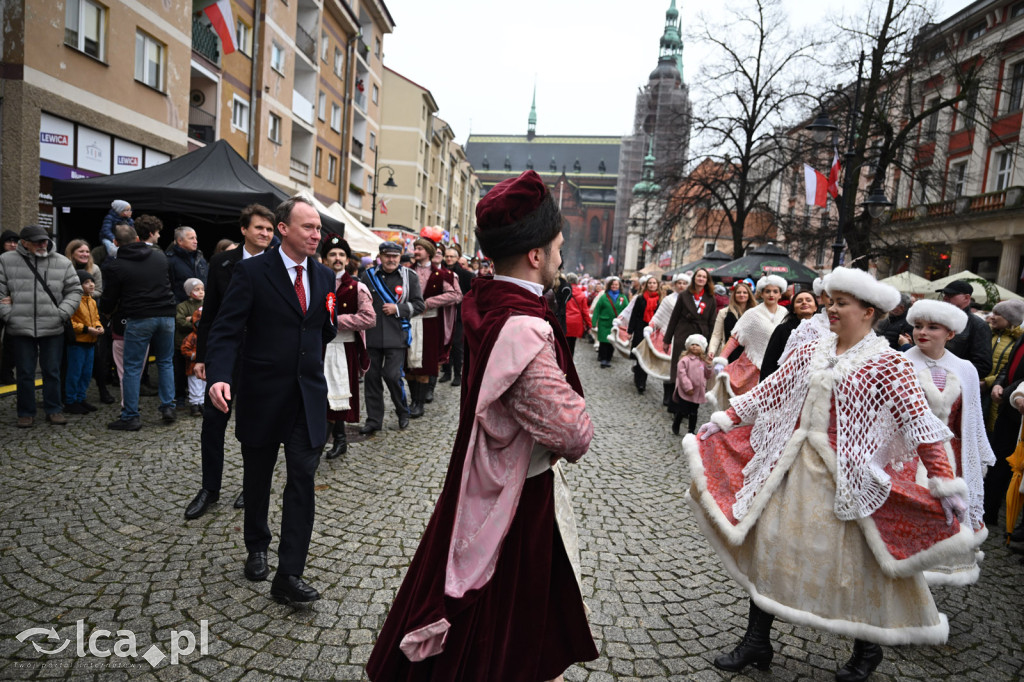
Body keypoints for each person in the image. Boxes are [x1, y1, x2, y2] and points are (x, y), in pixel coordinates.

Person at [687, 267, 977, 682]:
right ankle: (756, 640)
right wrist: (728, 417)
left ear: (869, 310)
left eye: (842, 303)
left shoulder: (888, 364)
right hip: (790, 468)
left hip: (850, 480)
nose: (832, 309)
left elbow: (921, 425)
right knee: (770, 546)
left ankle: (866, 649)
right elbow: (774, 388)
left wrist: (944, 481)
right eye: (831, 302)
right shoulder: (814, 348)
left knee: (855, 564)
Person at [367, 169, 598, 682]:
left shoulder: (489, 299)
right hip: (517, 496)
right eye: (557, 246)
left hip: (493, 473)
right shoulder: (523, 327)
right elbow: (572, 433)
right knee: (502, 625)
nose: (561, 255)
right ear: (536, 254)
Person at [205, 197, 336, 605]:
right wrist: (220, 376)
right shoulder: (250, 272)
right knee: (257, 478)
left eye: (319, 229)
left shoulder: (325, 277)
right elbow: (226, 330)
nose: (317, 235)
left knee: (302, 480)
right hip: (263, 394)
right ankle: (256, 546)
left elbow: (324, 329)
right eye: (308, 227)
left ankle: (289, 573)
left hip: (307, 397)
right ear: (283, 228)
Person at [187, 204, 276, 520]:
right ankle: (210, 488)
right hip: (226, 356)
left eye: (269, 229)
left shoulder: (279, 263)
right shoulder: (222, 262)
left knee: (257, 426)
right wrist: (201, 357)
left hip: (262, 358)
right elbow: (210, 314)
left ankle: (252, 486)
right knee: (213, 422)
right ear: (244, 230)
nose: (264, 234)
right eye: (259, 228)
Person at [903, 299, 995, 584]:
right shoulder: (900, 361)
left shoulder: (965, 368)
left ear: (950, 334)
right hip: (908, 453)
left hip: (951, 456)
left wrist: (974, 458)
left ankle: (928, 581)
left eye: (933, 327)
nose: (923, 332)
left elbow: (971, 419)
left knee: (944, 519)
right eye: (918, 326)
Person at [0, 225, 82, 427]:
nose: (42, 244)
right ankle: (25, 412)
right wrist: (8, 315)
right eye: (37, 241)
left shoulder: (62, 262)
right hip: (19, 326)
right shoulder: (6, 260)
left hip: (53, 325)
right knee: (25, 372)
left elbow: (75, 290)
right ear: (24, 243)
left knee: (52, 370)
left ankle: (54, 409)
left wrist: (61, 314)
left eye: (44, 240)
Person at [101, 225, 177, 431]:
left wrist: (106, 312)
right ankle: (168, 407)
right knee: (165, 362)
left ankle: (130, 416)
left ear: (115, 243)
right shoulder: (159, 256)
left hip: (139, 317)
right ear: (136, 239)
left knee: (133, 368)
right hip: (167, 314)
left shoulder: (116, 266)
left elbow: (109, 298)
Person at [360, 241, 425, 434]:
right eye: (387, 256)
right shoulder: (368, 276)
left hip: (396, 335)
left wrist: (398, 308)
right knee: (371, 378)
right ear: (380, 256)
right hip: (371, 335)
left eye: (395, 256)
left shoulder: (409, 277)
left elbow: (419, 305)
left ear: (400, 257)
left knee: (392, 375)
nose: (391, 260)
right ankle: (373, 420)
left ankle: (402, 411)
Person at [322, 235, 375, 460]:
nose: (337, 258)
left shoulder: (357, 287)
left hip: (344, 348)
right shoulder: (315, 282)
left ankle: (337, 440)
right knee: (321, 395)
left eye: (341, 254)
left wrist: (334, 320)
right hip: (319, 348)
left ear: (347, 259)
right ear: (324, 259)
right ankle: (332, 439)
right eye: (333, 254)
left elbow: (369, 319)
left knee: (339, 395)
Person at [707, 275, 785, 411]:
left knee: (766, 407)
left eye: (775, 291)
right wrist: (721, 359)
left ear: (780, 295)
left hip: (775, 366)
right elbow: (735, 338)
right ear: (761, 293)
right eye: (768, 291)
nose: (771, 294)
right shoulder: (752, 314)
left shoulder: (785, 313)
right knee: (743, 406)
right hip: (751, 365)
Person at [405, 236, 461, 416]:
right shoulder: (405, 272)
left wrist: (429, 302)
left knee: (425, 364)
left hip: (430, 324)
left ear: (428, 252)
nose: (416, 251)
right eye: (415, 248)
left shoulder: (443, 274)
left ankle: (419, 404)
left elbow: (455, 295)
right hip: (408, 322)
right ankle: (412, 400)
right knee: (408, 366)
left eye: (419, 248)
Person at [665, 267, 717, 407]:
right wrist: (667, 339)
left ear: (707, 281)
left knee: (695, 370)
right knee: (680, 367)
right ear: (694, 278)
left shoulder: (711, 298)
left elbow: (713, 321)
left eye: (704, 277)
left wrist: (711, 342)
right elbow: (674, 317)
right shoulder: (684, 295)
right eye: (699, 276)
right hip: (683, 332)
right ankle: (674, 401)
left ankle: (691, 402)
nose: (701, 279)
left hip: (701, 335)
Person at [64, 271, 103, 415]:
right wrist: (87, 329)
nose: (91, 284)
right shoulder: (74, 301)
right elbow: (70, 323)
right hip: (78, 342)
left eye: (91, 281)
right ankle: (70, 401)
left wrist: (99, 326)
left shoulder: (92, 301)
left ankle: (81, 398)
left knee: (86, 373)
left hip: (90, 342)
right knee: (75, 373)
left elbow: (96, 317)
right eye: (86, 282)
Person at [937, 280, 992, 378]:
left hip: (955, 385)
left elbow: (983, 366)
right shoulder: (940, 320)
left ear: (966, 298)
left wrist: (947, 373)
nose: (945, 298)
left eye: (950, 295)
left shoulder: (978, 325)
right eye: (945, 295)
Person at [758, 289, 818, 380]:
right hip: (788, 382)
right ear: (793, 309)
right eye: (799, 301)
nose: (804, 303)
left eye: (808, 300)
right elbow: (769, 362)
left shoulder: (824, 329)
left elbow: (832, 356)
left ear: (815, 307)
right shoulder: (782, 330)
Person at [984, 299, 1024, 430]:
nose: (992, 317)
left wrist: (990, 383)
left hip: (1002, 395)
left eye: (998, 314)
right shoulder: (988, 334)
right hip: (989, 391)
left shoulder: (1017, 339)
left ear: (1011, 318)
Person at [440, 244, 474, 386]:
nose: (449, 258)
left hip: (459, 315)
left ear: (458, 258)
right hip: (442, 313)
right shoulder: (439, 272)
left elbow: (471, 295)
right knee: (444, 343)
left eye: (452, 256)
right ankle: (447, 372)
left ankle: (457, 374)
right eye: (447, 256)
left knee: (457, 344)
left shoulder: (466, 275)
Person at [628, 275, 663, 394]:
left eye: (654, 283)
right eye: (650, 283)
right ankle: (639, 380)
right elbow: (634, 315)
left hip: (653, 331)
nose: (652, 285)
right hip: (640, 329)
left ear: (658, 285)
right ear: (646, 285)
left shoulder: (662, 300)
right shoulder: (640, 298)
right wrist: (630, 331)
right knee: (639, 355)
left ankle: (643, 380)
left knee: (647, 356)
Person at [672, 333, 712, 435]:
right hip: (686, 391)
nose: (694, 346)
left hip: (697, 392)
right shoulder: (684, 360)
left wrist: (709, 366)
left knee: (694, 412)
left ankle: (691, 430)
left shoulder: (702, 362)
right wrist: (687, 387)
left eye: (697, 345)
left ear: (702, 348)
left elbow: (707, 375)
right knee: (682, 410)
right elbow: (682, 374)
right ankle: (676, 424)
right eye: (692, 344)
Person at [707, 280, 755, 357]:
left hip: (749, 355)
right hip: (728, 354)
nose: (741, 295)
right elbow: (716, 335)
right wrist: (712, 350)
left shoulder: (756, 313)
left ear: (749, 295)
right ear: (734, 294)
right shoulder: (723, 312)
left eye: (745, 292)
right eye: (738, 292)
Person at [592, 276, 629, 367]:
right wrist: (593, 322)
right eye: (612, 284)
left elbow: (628, 310)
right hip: (604, 323)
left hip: (616, 324)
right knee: (604, 342)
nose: (614, 286)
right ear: (609, 286)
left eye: (616, 285)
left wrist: (628, 324)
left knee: (612, 342)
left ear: (619, 286)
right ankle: (604, 360)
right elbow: (597, 309)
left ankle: (608, 358)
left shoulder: (623, 297)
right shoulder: (604, 296)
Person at [180, 308, 204, 417]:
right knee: (194, 385)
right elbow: (184, 349)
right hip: (192, 367)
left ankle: (202, 403)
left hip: (205, 367)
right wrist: (194, 355)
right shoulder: (192, 337)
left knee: (204, 384)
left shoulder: (208, 336)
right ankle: (195, 404)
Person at [563, 272, 591, 356]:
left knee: (563, 344)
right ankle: (570, 361)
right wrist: (589, 324)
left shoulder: (563, 292)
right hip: (576, 323)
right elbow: (585, 312)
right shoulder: (582, 294)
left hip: (564, 321)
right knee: (572, 344)